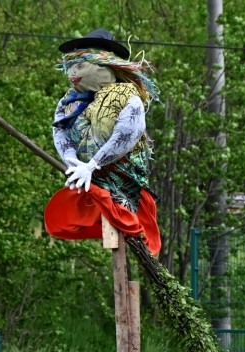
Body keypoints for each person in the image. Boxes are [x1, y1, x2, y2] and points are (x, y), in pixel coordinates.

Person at [44, 28, 161, 255]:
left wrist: (93, 164)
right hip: (90, 182)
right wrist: (72, 161)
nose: (73, 73)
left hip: (122, 180)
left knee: (124, 219)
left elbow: (127, 133)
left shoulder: (126, 95)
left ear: (103, 64)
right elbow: (60, 130)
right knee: (67, 216)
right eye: (71, 66)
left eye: (80, 66)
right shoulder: (69, 101)